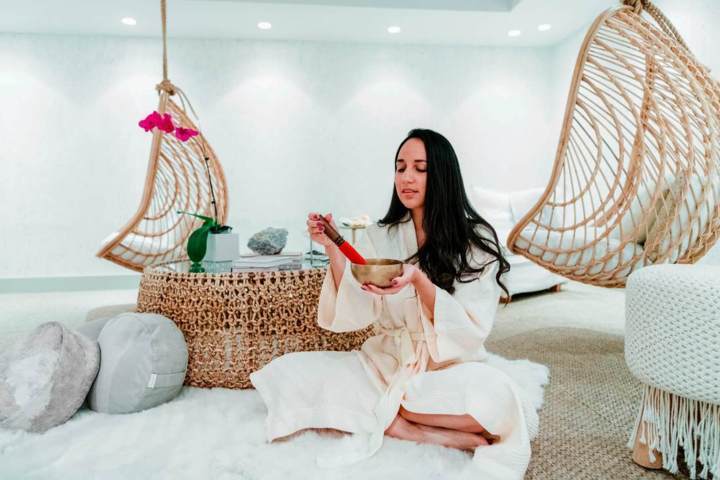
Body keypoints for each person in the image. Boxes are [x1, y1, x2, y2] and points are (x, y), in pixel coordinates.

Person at [250, 129, 539, 478]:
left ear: (443, 174)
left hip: (444, 369)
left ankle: (396, 416)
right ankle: (410, 427)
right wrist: (331, 250)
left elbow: (471, 329)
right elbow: (358, 305)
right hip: (383, 364)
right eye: (400, 167)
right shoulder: (380, 235)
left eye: (420, 168)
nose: (407, 177)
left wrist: (419, 280)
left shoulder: (475, 242)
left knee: (501, 398)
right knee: (288, 373)